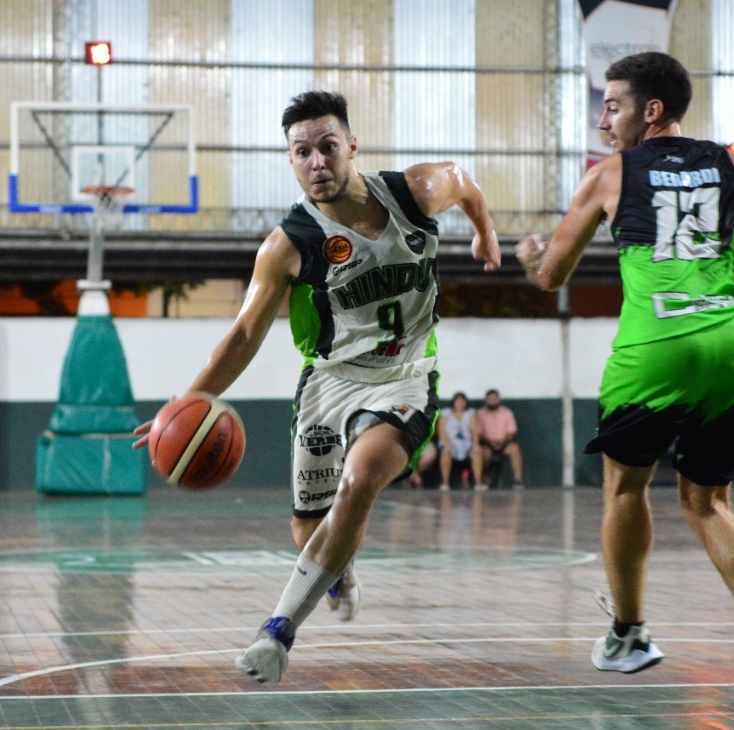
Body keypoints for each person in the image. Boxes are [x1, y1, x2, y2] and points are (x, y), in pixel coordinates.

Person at [135, 91, 501, 684]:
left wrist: (484, 231)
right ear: (291, 160)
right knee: (309, 527)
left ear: (352, 146)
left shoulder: (413, 193)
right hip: (329, 382)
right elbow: (243, 336)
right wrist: (186, 402)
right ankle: (339, 572)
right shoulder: (288, 245)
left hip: (404, 377)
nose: (317, 163)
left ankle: (276, 633)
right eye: (301, 152)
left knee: (358, 483)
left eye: (327, 147)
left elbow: (463, 181)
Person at [515, 51, 734, 707]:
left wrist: (532, 254)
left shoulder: (611, 174)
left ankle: (628, 631)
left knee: (626, 487)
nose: (603, 120)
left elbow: (550, 277)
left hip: (655, 347)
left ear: (651, 111)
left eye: (613, 105)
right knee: (708, 501)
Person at [474, 389, 524, 489]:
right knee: (483, 453)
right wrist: (490, 442)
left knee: (515, 449)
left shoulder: (507, 413)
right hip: (487, 443)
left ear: (499, 400)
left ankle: (517, 480)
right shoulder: (480, 414)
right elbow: (478, 433)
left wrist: (502, 441)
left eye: (494, 399)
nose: (492, 401)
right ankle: (485, 478)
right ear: (486, 400)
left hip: (504, 442)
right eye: (489, 399)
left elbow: (511, 432)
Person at [438, 392, 481, 490]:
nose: (460, 403)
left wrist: (476, 445)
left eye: (463, 401)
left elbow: (475, 431)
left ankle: (478, 483)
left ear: (466, 403)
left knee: (477, 453)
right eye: (458, 401)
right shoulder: (445, 413)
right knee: (445, 453)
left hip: (466, 444)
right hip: (449, 443)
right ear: (453, 402)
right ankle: (445, 483)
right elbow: (441, 431)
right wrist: (446, 445)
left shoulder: (471, 413)